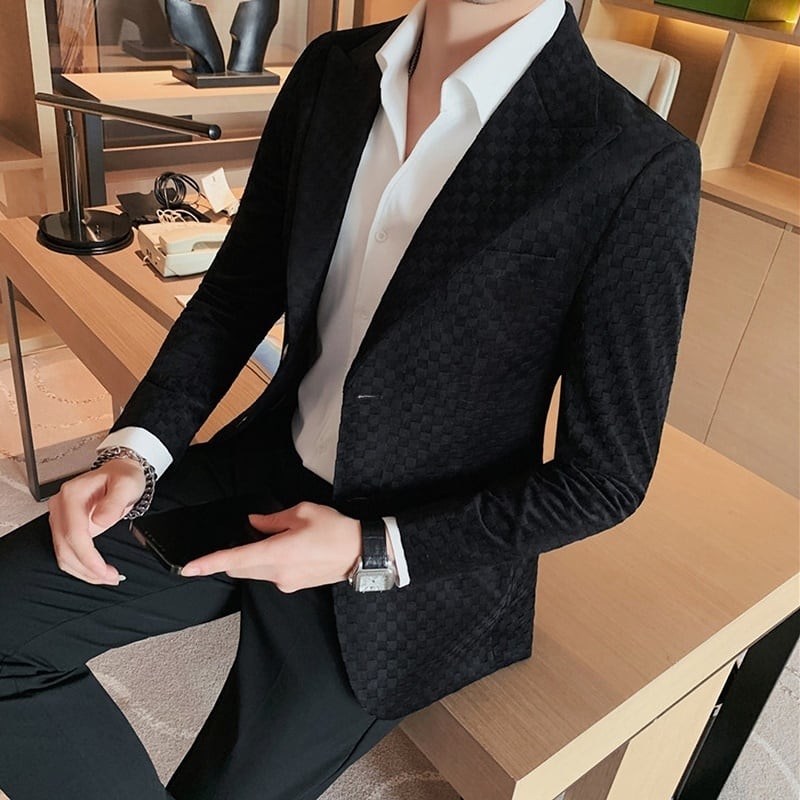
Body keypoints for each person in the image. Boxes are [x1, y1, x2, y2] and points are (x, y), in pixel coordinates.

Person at [0, 0, 701, 797]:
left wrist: (370, 550)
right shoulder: (332, 72)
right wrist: (136, 451)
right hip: (265, 466)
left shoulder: (635, 160)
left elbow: (603, 479)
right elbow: (236, 292)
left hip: (412, 550)